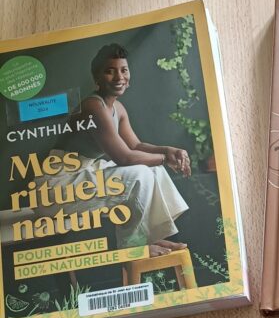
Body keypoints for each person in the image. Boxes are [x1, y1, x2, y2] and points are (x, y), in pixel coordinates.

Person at [49, 42, 192, 257]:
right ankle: (132, 246)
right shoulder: (93, 106)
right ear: (96, 78)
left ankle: (149, 237)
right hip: (57, 188)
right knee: (140, 172)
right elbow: (125, 157)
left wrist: (168, 150)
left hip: (81, 176)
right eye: (110, 71)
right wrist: (165, 158)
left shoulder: (117, 108)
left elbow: (136, 146)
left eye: (123, 70)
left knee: (152, 168)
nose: (119, 77)